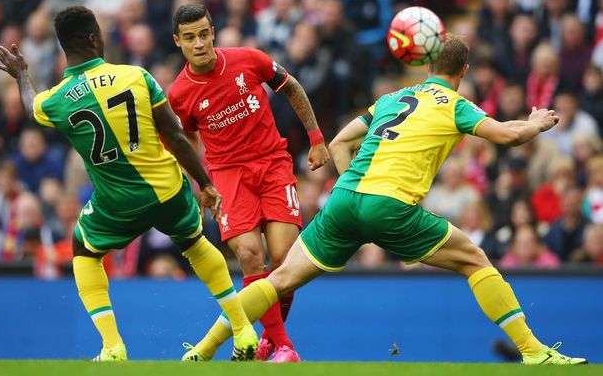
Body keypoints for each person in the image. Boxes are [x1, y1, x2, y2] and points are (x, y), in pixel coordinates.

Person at [185, 35, 587, 365]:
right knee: (475, 261)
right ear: (463, 72)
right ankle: (534, 353)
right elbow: (506, 134)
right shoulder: (455, 106)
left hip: (344, 200)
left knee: (279, 279)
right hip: (390, 206)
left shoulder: (393, 98)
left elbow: (341, 141)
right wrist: (534, 125)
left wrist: (355, 190)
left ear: (427, 67)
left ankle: (203, 349)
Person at [0, 6, 258, 362]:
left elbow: (30, 106)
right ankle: (242, 330)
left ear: (62, 47)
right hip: (167, 188)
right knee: (194, 244)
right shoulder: (136, 75)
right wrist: (205, 184)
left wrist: (22, 74)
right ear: (93, 38)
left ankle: (112, 346)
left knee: (84, 251)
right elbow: (176, 136)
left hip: (117, 203)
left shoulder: (56, 99)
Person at [170, 4, 329, 363]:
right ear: (178, 41)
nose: (199, 43)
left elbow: (292, 88)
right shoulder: (180, 94)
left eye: (205, 33)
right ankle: (284, 345)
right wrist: (201, 185)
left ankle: (268, 341)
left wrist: (317, 138)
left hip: (273, 164)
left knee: (284, 260)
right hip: (227, 175)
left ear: (214, 31)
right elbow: (187, 141)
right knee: (248, 256)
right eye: (190, 37)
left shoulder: (248, 59)